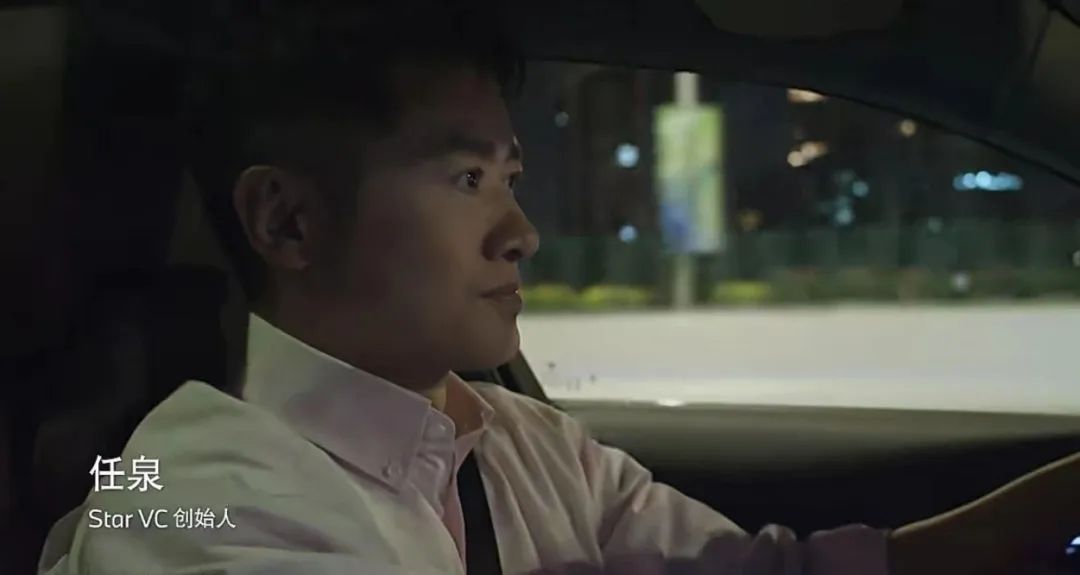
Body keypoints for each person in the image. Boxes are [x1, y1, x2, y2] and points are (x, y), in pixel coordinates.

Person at [37, 1, 1080, 574]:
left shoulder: (521, 442)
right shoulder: (194, 499)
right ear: (289, 221)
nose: (521, 233)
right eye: (466, 180)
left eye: (513, 179)